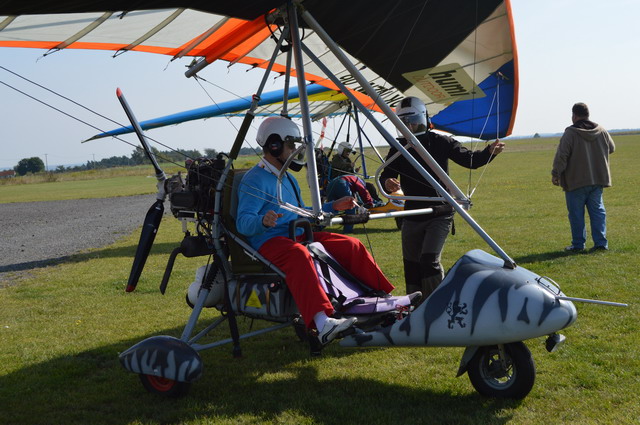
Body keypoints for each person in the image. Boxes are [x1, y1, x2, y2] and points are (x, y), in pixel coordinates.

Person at [236, 116, 396, 345]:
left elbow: (302, 211)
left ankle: (384, 300)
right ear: (274, 145)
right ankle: (322, 323)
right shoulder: (255, 179)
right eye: (291, 145)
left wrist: (333, 206)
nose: (295, 151)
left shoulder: (288, 178)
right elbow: (243, 223)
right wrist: (263, 220)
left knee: (350, 244)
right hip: (269, 242)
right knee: (299, 254)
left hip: (297, 234)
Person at [380, 96, 505, 300]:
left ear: (424, 119)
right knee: (411, 264)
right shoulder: (399, 147)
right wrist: (387, 182)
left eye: (413, 121)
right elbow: (386, 173)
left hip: (440, 212)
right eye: (403, 123)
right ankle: (415, 303)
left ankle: (438, 302)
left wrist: (489, 152)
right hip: (412, 213)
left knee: (428, 261)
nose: (409, 126)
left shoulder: (441, 141)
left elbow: (470, 160)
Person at [552, 102, 615, 252]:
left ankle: (578, 245)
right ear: (587, 114)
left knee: (576, 214)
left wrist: (556, 173)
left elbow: (562, 156)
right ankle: (601, 243)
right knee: (598, 212)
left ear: (574, 115)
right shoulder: (601, 130)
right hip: (597, 179)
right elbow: (611, 148)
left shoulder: (571, 133)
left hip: (576, 181)